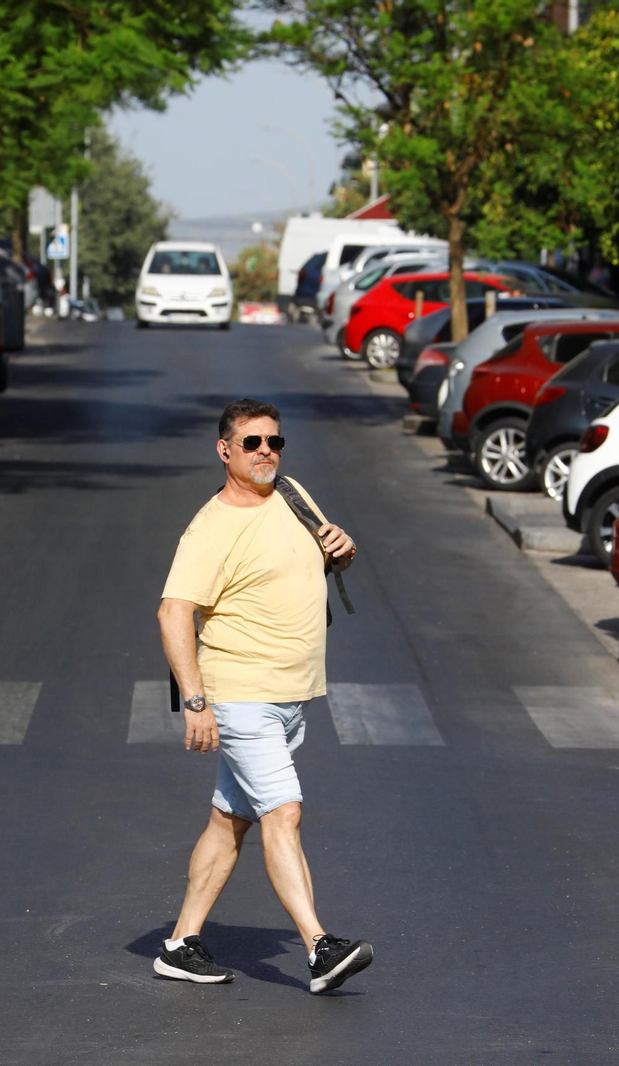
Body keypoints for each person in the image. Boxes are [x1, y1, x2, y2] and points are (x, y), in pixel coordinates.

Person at [153, 398, 374, 994]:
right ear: (224, 450)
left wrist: (342, 550)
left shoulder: (292, 494)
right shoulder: (210, 528)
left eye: (274, 441)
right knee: (284, 811)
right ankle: (320, 947)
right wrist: (196, 702)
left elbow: (312, 562)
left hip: (289, 695)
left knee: (230, 820)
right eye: (252, 443)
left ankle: (179, 944)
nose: (266, 452)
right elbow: (173, 612)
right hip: (241, 693)